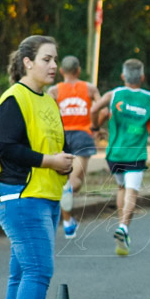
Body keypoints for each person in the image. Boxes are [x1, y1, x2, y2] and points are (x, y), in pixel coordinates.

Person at [0, 35, 74, 299]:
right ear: (27, 62)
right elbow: (5, 147)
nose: (54, 66)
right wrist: (49, 161)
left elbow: (58, 143)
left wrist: (66, 162)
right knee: (38, 270)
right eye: (47, 59)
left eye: (55, 59)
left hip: (45, 195)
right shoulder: (13, 100)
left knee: (22, 273)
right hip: (21, 196)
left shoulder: (49, 101)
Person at [90, 60, 150, 256]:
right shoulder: (149, 97)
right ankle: (123, 227)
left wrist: (96, 128)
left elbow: (94, 110)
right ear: (142, 77)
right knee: (132, 191)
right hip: (136, 154)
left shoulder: (113, 95)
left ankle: (123, 230)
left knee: (122, 187)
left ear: (123, 77)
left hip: (114, 154)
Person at [48, 56, 101, 239]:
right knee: (75, 180)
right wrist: (96, 126)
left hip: (61, 136)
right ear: (78, 70)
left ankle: (68, 223)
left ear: (61, 71)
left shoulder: (54, 91)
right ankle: (68, 210)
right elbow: (101, 109)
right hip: (82, 135)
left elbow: (48, 114)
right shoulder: (90, 88)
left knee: (66, 183)